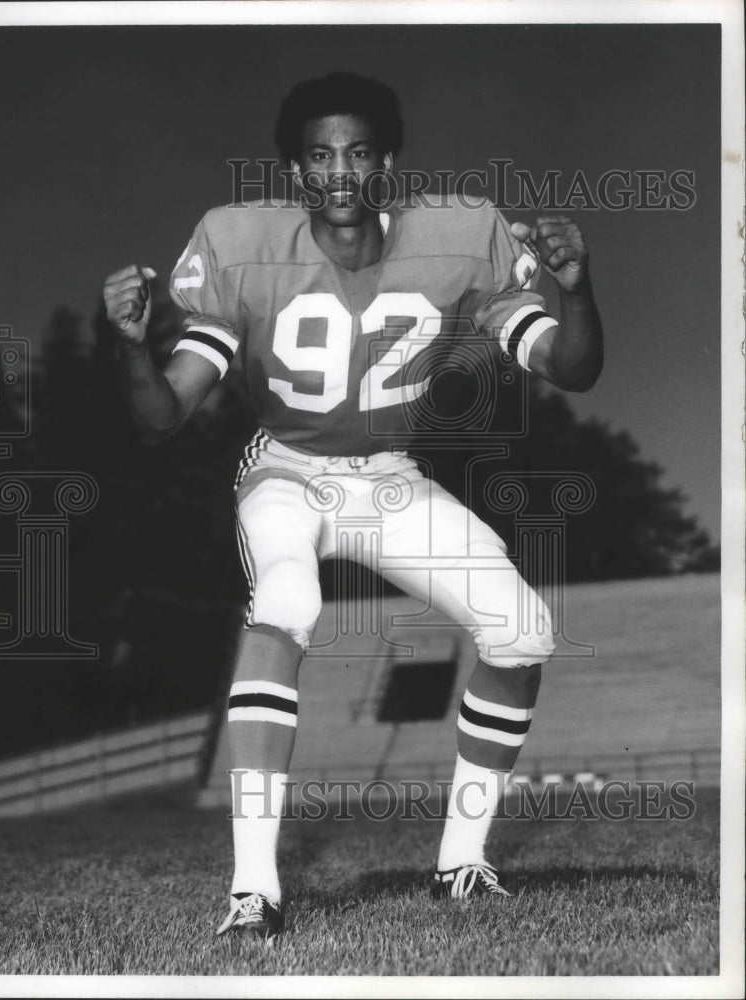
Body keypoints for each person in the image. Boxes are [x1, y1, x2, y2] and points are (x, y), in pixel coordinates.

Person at [103, 71, 603, 942]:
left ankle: (461, 863)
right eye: (320, 156)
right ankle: (253, 889)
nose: (340, 172)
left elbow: (571, 367)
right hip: (286, 472)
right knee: (289, 602)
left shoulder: (461, 235)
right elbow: (160, 418)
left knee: (521, 631)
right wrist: (137, 347)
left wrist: (576, 288)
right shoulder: (238, 242)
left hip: (388, 476)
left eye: (359, 153)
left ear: (388, 165)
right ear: (297, 171)